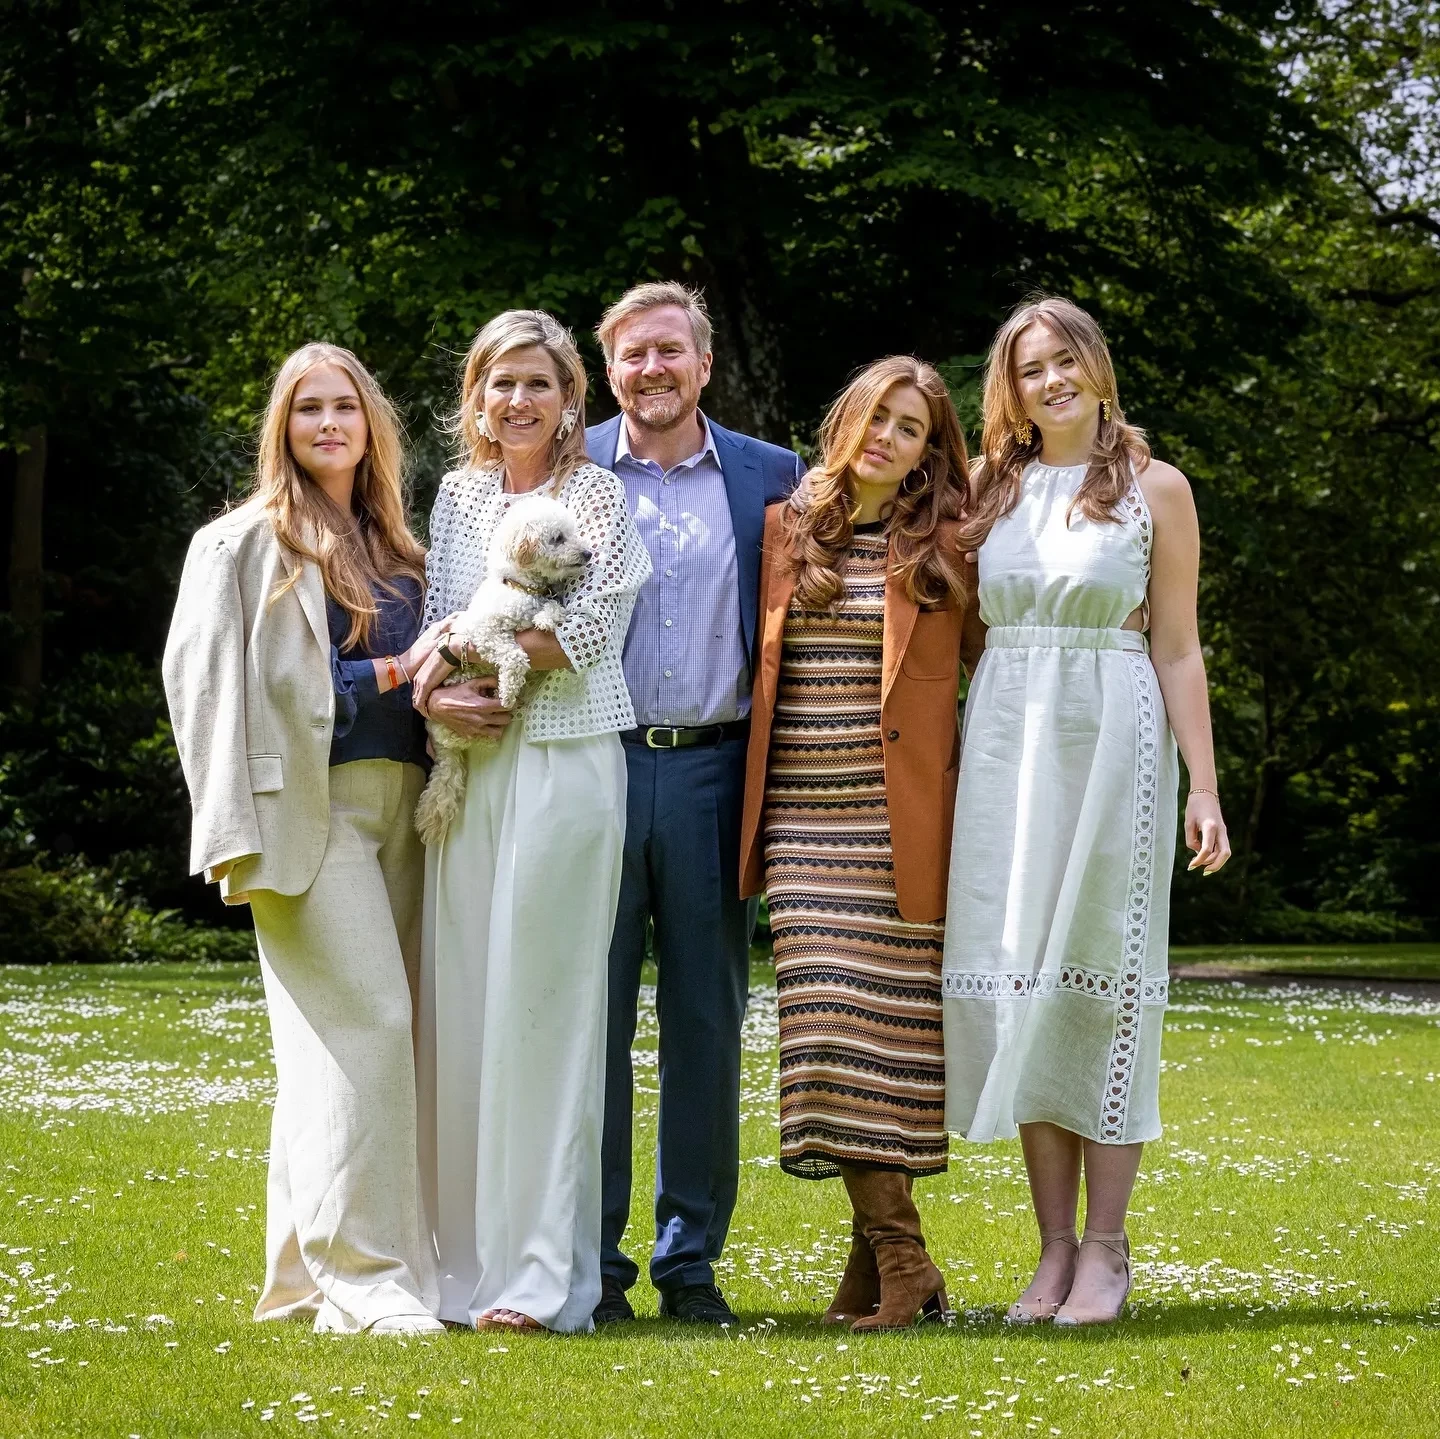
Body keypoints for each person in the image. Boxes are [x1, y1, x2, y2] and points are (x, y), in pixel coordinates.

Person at [941, 295, 1232, 1327]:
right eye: (1031, 368)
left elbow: (1178, 646)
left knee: (1105, 983)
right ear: (1010, 388)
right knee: (1027, 983)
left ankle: (1108, 1247)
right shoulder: (989, 486)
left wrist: (1205, 784)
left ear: (1097, 366)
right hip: (1008, 743)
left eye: (1066, 359)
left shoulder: (1158, 487)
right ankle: (1054, 1248)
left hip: (1114, 736)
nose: (1052, 380)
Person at [163, 342, 444, 1336]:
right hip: (306, 813)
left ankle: (296, 1280)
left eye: (345, 406)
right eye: (308, 407)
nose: (329, 423)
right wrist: (226, 828)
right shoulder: (239, 543)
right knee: (372, 1025)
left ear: (372, 425)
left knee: (336, 1048)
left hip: (408, 807)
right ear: (281, 427)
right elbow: (202, 688)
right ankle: (366, 1280)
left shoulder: (402, 547)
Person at [410, 309, 650, 1334]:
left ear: (569, 400)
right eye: (500, 383)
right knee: (464, 1007)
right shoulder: (457, 494)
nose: (518, 400)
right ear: (476, 399)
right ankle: (460, 1270)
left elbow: (587, 633)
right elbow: (433, 618)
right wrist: (435, 689)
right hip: (469, 766)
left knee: (546, 1012)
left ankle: (540, 1278)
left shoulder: (597, 496)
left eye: (538, 384)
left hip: (563, 762)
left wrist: (457, 651)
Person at [739, 356, 984, 1330]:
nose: (887, 436)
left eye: (910, 427)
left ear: (929, 451)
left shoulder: (953, 542)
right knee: (829, 1029)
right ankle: (904, 1259)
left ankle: (883, 1266)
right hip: (801, 824)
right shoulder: (786, 528)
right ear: (848, 420)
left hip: (902, 828)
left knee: (884, 1047)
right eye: (878, 416)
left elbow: (1000, 667)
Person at [587, 282, 805, 1326]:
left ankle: (689, 1262)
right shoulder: (569, 468)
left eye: (669, 350)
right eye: (633, 354)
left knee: (707, 1023)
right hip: (592, 769)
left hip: (718, 772)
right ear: (608, 369)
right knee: (588, 1021)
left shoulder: (772, 476)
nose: (652, 369)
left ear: (704, 363)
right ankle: (590, 1259)